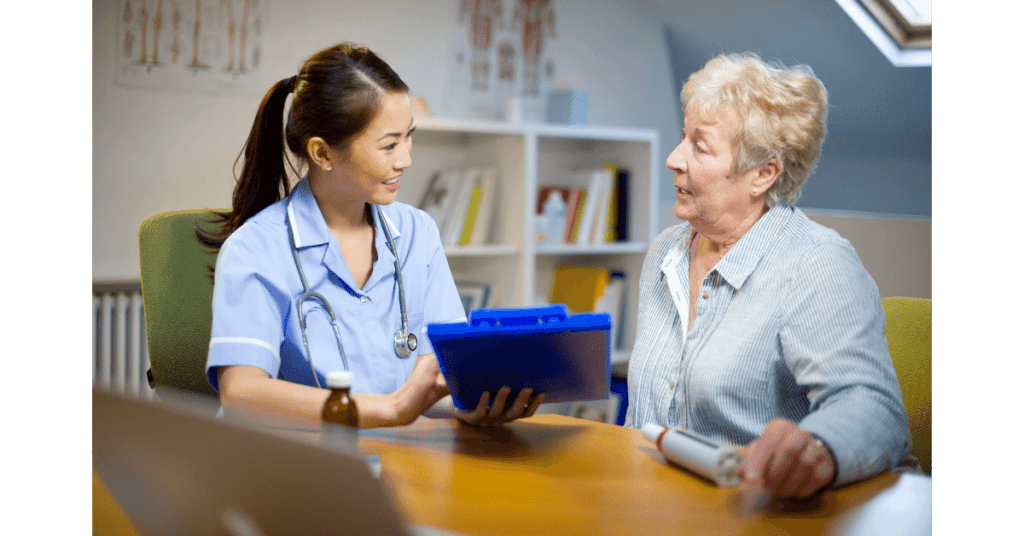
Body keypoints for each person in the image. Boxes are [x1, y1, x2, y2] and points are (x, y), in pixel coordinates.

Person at [199, 42, 543, 428]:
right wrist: (392, 410)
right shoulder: (256, 248)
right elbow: (242, 393)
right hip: (297, 464)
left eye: (408, 136)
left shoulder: (417, 233)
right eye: (389, 145)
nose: (405, 159)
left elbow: (436, 377)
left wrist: (472, 403)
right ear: (323, 154)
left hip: (398, 454)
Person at [624, 52, 916, 499]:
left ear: (763, 174)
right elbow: (641, 422)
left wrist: (820, 447)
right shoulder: (666, 251)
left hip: (757, 510)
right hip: (653, 503)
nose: (673, 158)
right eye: (683, 138)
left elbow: (874, 408)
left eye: (699, 146)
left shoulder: (815, 263)